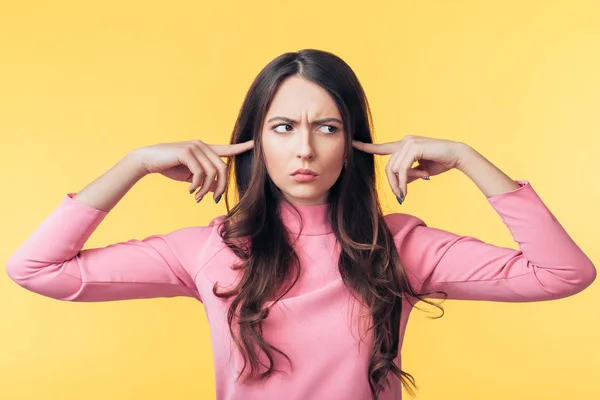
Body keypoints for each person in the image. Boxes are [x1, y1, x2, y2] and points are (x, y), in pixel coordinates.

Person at [6, 49, 596, 400]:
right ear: (256, 140)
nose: (306, 149)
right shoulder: (213, 248)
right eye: (284, 127)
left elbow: (564, 273)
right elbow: (36, 269)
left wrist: (469, 158)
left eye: (328, 127)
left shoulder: (400, 245)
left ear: (352, 141)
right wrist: (132, 165)